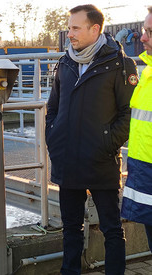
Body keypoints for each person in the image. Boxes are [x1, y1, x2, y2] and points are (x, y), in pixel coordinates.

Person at [45, 4, 138, 275]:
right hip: (68, 159)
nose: (69, 34)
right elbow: (53, 107)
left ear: (94, 29)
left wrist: (107, 145)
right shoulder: (64, 63)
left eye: (75, 28)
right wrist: (54, 137)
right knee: (71, 228)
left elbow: (128, 114)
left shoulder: (121, 65)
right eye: (70, 27)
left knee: (111, 229)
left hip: (102, 160)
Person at [121, 7, 152, 251]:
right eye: (144, 31)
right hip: (144, 173)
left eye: (150, 32)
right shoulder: (148, 72)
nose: (142, 38)